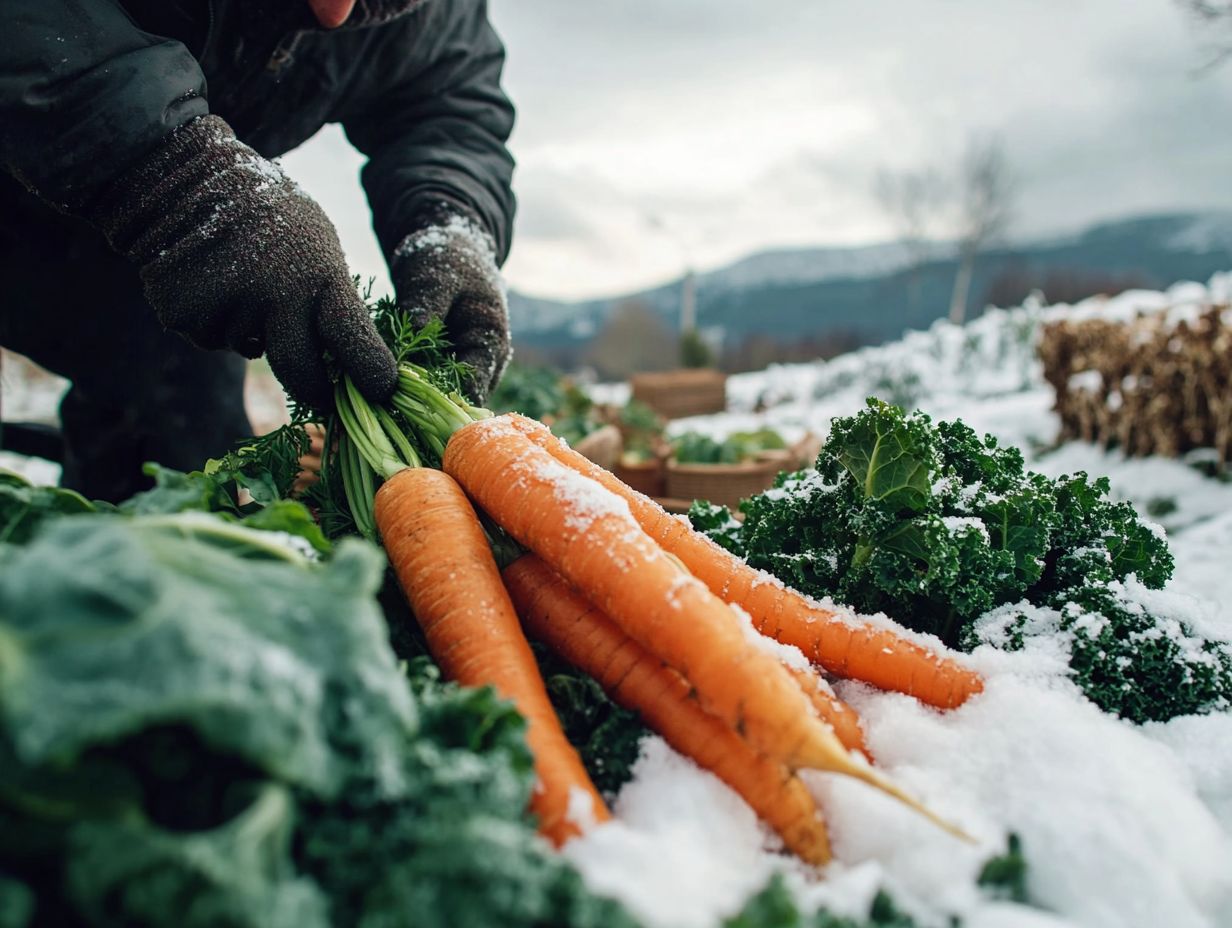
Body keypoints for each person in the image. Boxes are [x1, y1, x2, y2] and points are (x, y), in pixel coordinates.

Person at [0, 0, 515, 501]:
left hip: (160, 260)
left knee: (181, 466)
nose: (337, 14)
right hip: (33, 187)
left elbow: (449, 108)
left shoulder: (445, 13)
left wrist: (456, 222)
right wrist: (178, 179)